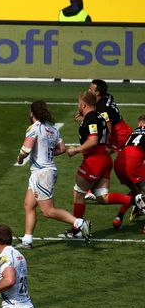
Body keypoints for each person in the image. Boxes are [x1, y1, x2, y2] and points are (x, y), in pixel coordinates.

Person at [15, 101, 91, 249]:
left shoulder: (34, 128)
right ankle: (27, 240)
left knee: (48, 211)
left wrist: (20, 158)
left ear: (32, 113)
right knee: (28, 204)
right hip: (45, 171)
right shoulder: (52, 129)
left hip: (41, 173)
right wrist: (48, 152)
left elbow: (26, 149)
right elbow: (62, 148)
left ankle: (80, 223)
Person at [65, 91, 133, 239]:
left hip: (94, 161)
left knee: (78, 194)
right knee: (101, 197)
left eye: (78, 103)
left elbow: (93, 140)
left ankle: (76, 229)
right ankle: (134, 200)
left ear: (83, 104)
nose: (78, 105)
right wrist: (85, 119)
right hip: (104, 158)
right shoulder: (99, 116)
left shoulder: (91, 119)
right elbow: (107, 132)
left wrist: (75, 150)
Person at [89, 79, 136, 228]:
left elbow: (108, 125)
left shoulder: (102, 106)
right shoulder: (107, 97)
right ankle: (122, 213)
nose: (89, 90)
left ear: (97, 92)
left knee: (100, 157)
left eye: (91, 89)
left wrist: (105, 140)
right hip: (122, 131)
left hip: (119, 135)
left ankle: (90, 187)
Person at [113, 114, 145, 226]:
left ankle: (119, 217)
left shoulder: (133, 132)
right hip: (133, 162)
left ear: (140, 123)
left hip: (119, 163)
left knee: (137, 191)